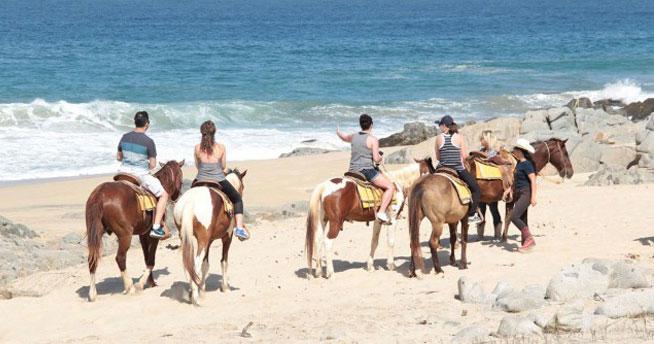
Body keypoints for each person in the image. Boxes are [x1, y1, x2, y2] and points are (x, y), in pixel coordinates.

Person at [117, 111, 169, 239]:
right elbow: (152, 165)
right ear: (147, 124)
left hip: (122, 173)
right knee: (163, 195)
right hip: (139, 175)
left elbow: (119, 157)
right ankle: (156, 227)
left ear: (135, 122)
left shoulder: (124, 137)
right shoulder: (149, 141)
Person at [194, 120, 249, 241]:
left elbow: (198, 166)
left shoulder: (197, 148)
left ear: (201, 132)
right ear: (214, 132)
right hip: (218, 180)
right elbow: (223, 166)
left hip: (200, 180)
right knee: (237, 199)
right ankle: (239, 228)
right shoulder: (221, 148)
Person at [337, 114, 395, 224]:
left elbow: (344, 138)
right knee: (390, 187)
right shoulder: (373, 140)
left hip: (352, 171)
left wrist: (338, 132)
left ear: (360, 125)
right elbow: (376, 159)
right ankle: (381, 212)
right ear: (371, 125)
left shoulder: (353, 136)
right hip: (366, 170)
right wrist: (380, 158)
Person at [434, 115, 482, 224]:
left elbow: (437, 157)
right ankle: (471, 215)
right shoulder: (459, 137)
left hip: (441, 168)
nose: (439, 127)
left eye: (440, 125)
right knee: (476, 189)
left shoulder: (438, 138)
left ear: (444, 126)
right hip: (457, 168)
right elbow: (464, 156)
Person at [510, 138, 538, 251]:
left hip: (526, 193)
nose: (513, 151)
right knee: (523, 218)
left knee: (514, 216)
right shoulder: (518, 164)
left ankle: (529, 238)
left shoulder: (527, 164)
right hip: (519, 193)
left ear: (520, 150)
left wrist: (533, 197)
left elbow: (533, 180)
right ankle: (526, 243)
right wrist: (509, 190)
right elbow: (516, 180)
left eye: (515, 149)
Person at [478, 130, 502, 230]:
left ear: (487, 139)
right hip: (481, 183)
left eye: (482, 139)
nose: (480, 141)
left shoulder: (495, 152)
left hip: (492, 185)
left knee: (493, 208)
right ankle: (480, 233)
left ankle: (497, 232)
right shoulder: (481, 150)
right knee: (481, 209)